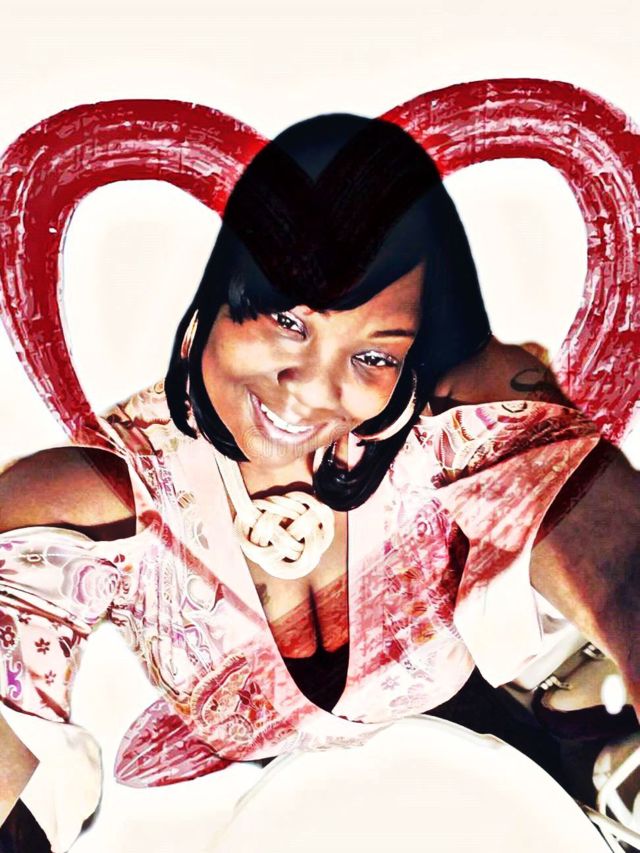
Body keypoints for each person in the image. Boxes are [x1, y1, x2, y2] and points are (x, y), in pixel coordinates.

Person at [0, 114, 638, 850]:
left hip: (516, 773)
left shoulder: (451, 406)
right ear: (220, 291)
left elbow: (621, 562)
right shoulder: (93, 497)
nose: (312, 388)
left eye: (373, 355)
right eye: (287, 320)